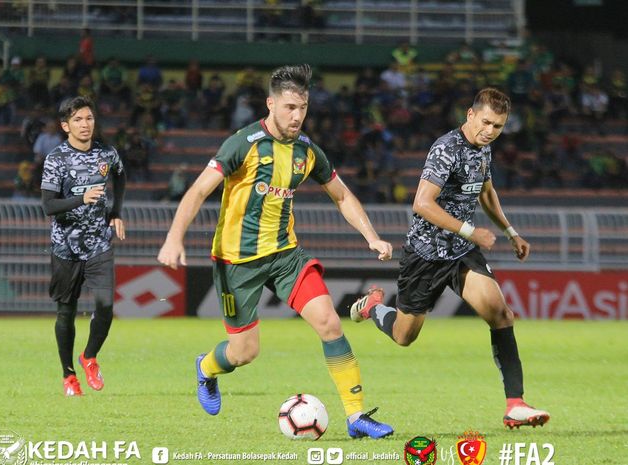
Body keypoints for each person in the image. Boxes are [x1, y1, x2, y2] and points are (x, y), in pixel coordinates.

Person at [157, 64, 394, 439]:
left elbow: (343, 195)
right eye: (289, 108)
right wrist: (174, 238)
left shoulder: (307, 151)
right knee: (244, 352)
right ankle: (206, 367)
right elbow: (198, 191)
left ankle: (356, 417)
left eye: (302, 108)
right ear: (271, 104)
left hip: (286, 256)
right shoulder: (243, 143)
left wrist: (372, 236)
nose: (297, 116)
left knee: (330, 323)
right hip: (238, 262)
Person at [349, 88, 550, 430]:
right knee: (404, 336)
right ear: (470, 115)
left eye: (498, 126)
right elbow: (422, 203)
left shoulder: (484, 148)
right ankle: (372, 308)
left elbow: (486, 191)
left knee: (501, 314)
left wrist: (510, 231)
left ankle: (515, 403)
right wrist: (473, 232)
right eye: (486, 122)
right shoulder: (446, 148)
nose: (490, 130)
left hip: (460, 252)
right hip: (426, 253)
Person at [40, 96, 126, 396]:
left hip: (99, 244)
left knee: (106, 307)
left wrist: (115, 212)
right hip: (65, 247)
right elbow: (49, 206)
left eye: (89, 118)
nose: (85, 124)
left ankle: (89, 357)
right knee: (67, 312)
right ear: (66, 126)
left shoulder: (107, 153)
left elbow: (120, 176)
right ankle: (68, 376)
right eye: (77, 119)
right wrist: (82, 198)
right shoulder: (57, 159)